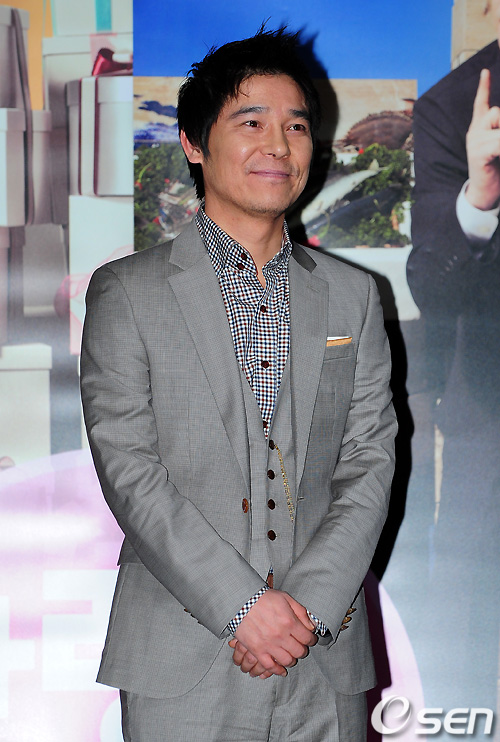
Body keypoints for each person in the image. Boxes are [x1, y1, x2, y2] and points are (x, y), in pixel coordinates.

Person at [81, 26, 396, 741]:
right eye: (251, 122)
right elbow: (129, 467)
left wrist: (304, 609)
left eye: (296, 126)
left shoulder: (352, 297)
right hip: (181, 655)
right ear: (194, 144)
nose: (278, 145)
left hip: (324, 654)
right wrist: (242, 608)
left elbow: (370, 460)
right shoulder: (127, 292)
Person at [407, 2, 500, 719]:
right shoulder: (454, 103)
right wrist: (479, 199)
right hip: (490, 406)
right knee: (469, 626)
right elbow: (430, 284)